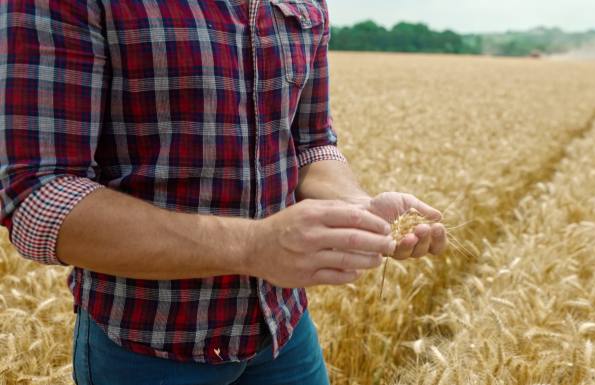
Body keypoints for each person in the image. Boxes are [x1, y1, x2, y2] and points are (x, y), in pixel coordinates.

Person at [0, 0, 447, 384]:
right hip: (147, 345)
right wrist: (253, 246)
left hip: (284, 333)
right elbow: (39, 196)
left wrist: (356, 206)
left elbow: (311, 144)